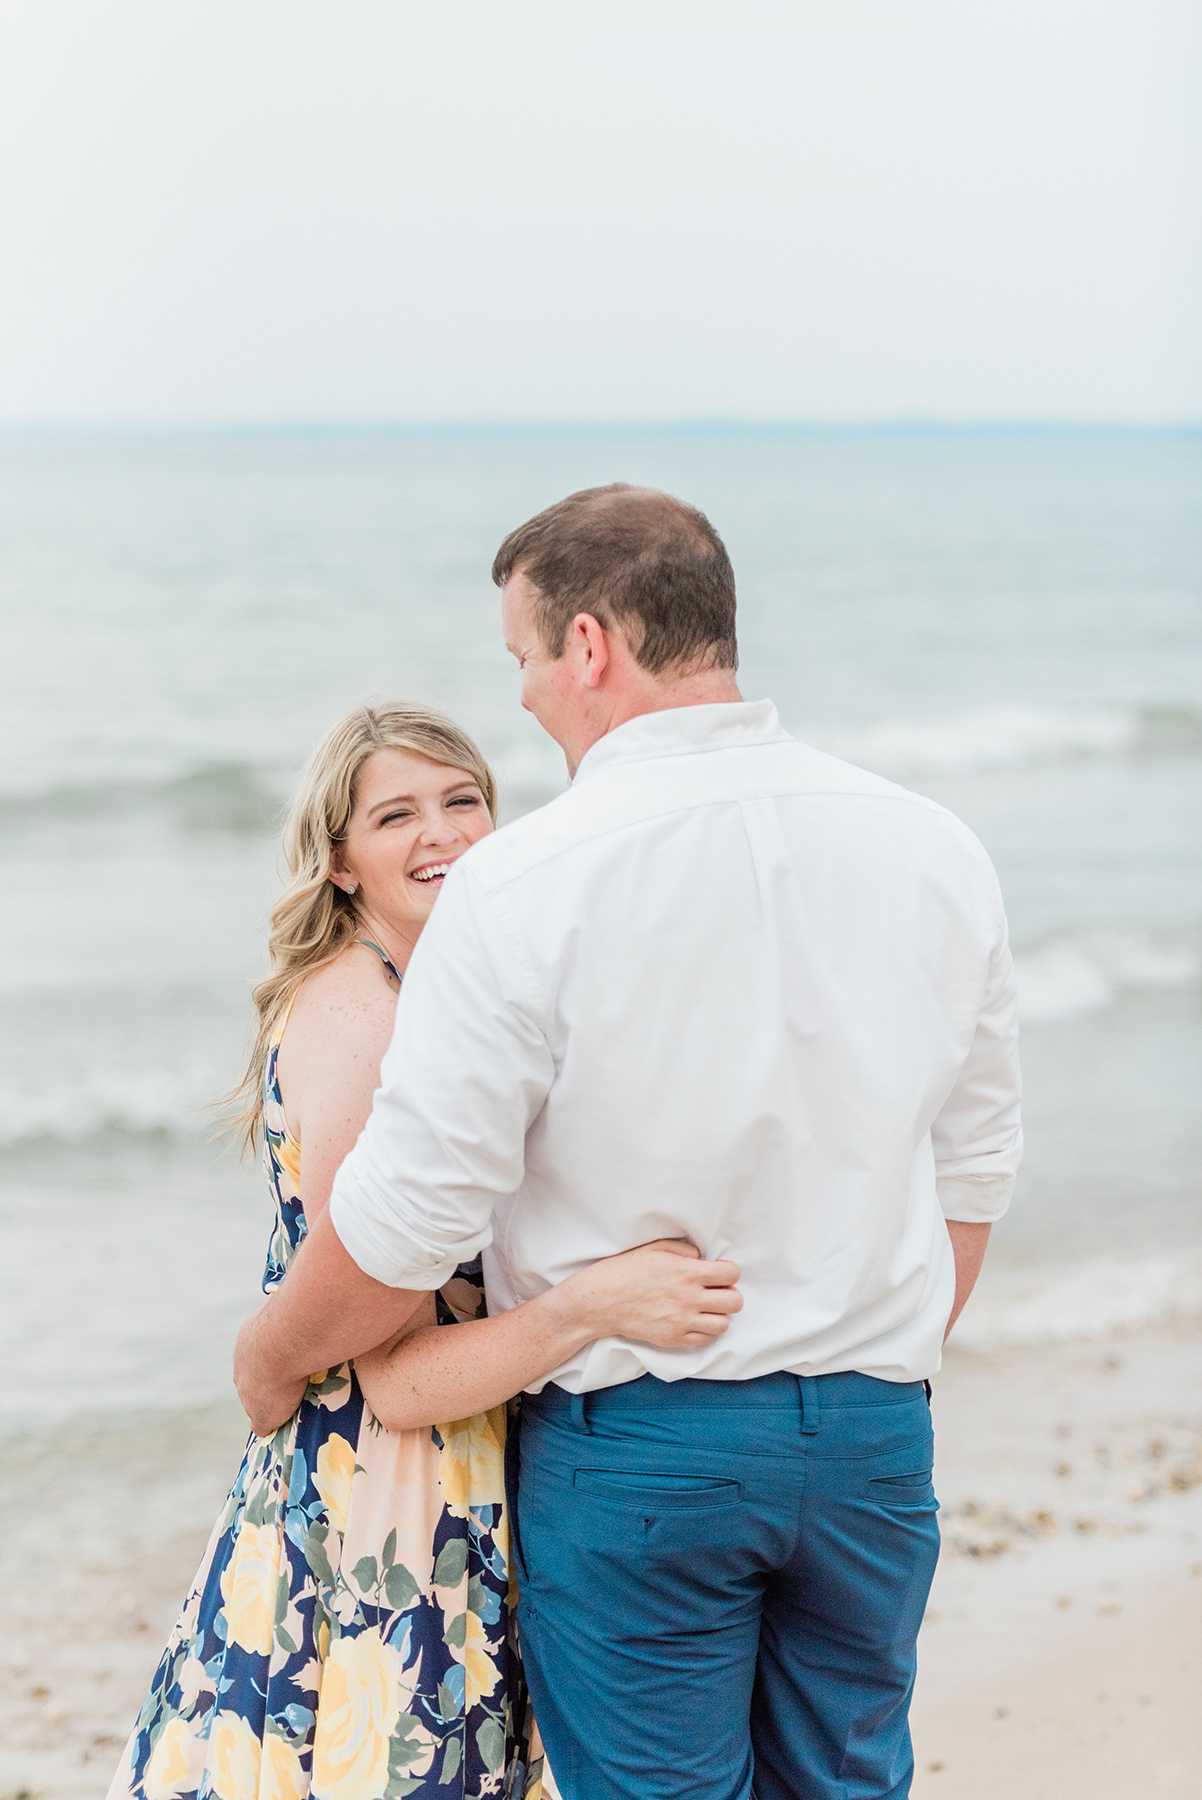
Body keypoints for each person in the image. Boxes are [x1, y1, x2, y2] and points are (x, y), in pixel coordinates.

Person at [234, 487, 1023, 1800]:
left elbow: (407, 1226)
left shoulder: (529, 880)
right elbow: (975, 1163)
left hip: (643, 1447)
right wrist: (881, 1360)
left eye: (526, 659)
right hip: (874, 1436)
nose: (532, 693)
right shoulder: (932, 847)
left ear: (588, 647)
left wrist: (271, 1354)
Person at [107, 700, 741, 1800]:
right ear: (341, 863)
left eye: (462, 801)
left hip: (476, 1445)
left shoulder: (460, 992)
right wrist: (594, 1304)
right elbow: (391, 1374)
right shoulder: (359, 1012)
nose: (440, 833)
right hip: (382, 1491)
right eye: (395, 815)